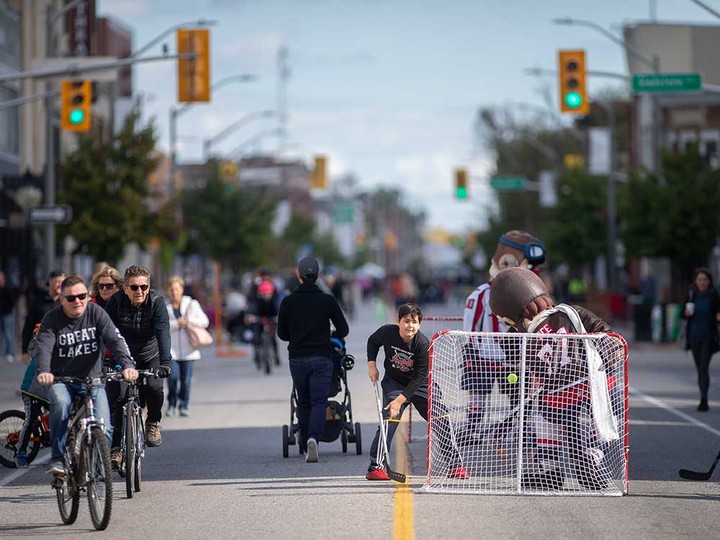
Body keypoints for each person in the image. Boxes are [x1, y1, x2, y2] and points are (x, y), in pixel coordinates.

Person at [489, 266, 621, 490]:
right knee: (545, 426)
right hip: (556, 395)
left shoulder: (567, 314)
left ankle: (591, 462)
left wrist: (611, 344)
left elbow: (600, 330)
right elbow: (510, 355)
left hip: (587, 387)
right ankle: (550, 471)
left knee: (590, 428)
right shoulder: (527, 333)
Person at [34, 275, 137, 475]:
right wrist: (44, 371)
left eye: (82, 296)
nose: (77, 301)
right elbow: (44, 348)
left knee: (105, 427)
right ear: (61, 299)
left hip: (93, 380)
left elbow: (115, 340)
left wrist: (127, 365)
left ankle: (97, 469)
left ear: (88, 296)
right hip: (60, 380)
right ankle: (58, 458)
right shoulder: (52, 319)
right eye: (70, 298)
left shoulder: (96, 313)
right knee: (61, 404)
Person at [365, 302, 469, 481]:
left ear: (419, 324)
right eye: (406, 321)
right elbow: (372, 342)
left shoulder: (422, 344)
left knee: (441, 418)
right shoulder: (387, 332)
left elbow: (419, 377)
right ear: (397, 321)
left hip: (420, 384)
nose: (410, 326)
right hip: (394, 382)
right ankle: (376, 467)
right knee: (389, 419)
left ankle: (455, 465)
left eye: (414, 322)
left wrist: (399, 400)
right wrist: (371, 365)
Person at [461, 230, 546, 433]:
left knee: (517, 393)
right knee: (478, 392)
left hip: (512, 358)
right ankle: (474, 426)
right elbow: (471, 323)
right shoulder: (481, 294)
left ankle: (521, 428)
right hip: (485, 356)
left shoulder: (526, 295)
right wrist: (470, 350)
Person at [277, 257, 349, 463]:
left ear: (299, 275)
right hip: (321, 357)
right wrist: (329, 331)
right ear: (318, 275)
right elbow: (343, 330)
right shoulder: (327, 300)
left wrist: (297, 334)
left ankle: (303, 441)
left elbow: (282, 334)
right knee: (319, 401)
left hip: (297, 358)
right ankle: (313, 439)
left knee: (304, 400)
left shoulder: (288, 301)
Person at [105, 265, 172, 464]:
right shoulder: (115, 303)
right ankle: (116, 448)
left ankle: (152, 422)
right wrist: (102, 360)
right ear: (125, 288)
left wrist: (165, 362)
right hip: (123, 357)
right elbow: (107, 334)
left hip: (150, 354)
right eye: (134, 288)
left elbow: (162, 331)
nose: (139, 292)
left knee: (154, 387)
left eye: (144, 287)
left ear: (149, 286)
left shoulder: (156, 302)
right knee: (117, 397)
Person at [165, 275, 210, 417]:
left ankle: (184, 405)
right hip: (172, 351)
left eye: (177, 289)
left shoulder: (192, 304)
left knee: (185, 381)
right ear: (168, 291)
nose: (174, 292)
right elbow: (161, 327)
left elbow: (205, 321)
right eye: (171, 289)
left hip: (189, 350)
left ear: (182, 290)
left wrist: (188, 320)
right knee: (172, 379)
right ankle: (171, 404)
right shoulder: (165, 307)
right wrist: (176, 324)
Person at [681, 267, 720, 412]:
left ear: (709, 281)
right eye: (700, 280)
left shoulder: (713, 295)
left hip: (708, 336)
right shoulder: (692, 295)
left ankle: (704, 399)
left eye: (705, 280)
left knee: (704, 367)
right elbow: (683, 316)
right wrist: (686, 313)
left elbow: (718, 313)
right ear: (695, 282)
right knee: (699, 368)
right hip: (694, 336)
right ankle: (702, 394)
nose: (702, 282)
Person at [21, 270, 65, 365]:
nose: (59, 285)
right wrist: (24, 350)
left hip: (62, 349)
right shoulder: (38, 301)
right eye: (57, 281)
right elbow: (28, 326)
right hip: (41, 348)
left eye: (62, 282)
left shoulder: (67, 302)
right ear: (50, 281)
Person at [245, 280, 280, 368]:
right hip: (260, 320)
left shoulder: (274, 301)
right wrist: (250, 316)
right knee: (257, 337)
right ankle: (257, 354)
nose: (266, 296)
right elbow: (252, 309)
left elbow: (278, 310)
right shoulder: (257, 302)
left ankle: (276, 355)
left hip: (271, 320)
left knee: (272, 338)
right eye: (263, 294)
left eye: (268, 293)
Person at [0, 271, 18, 363]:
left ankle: (10, 353)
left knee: (8, 334)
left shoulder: (8, 288)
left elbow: (12, 301)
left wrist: (7, 307)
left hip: (7, 313)